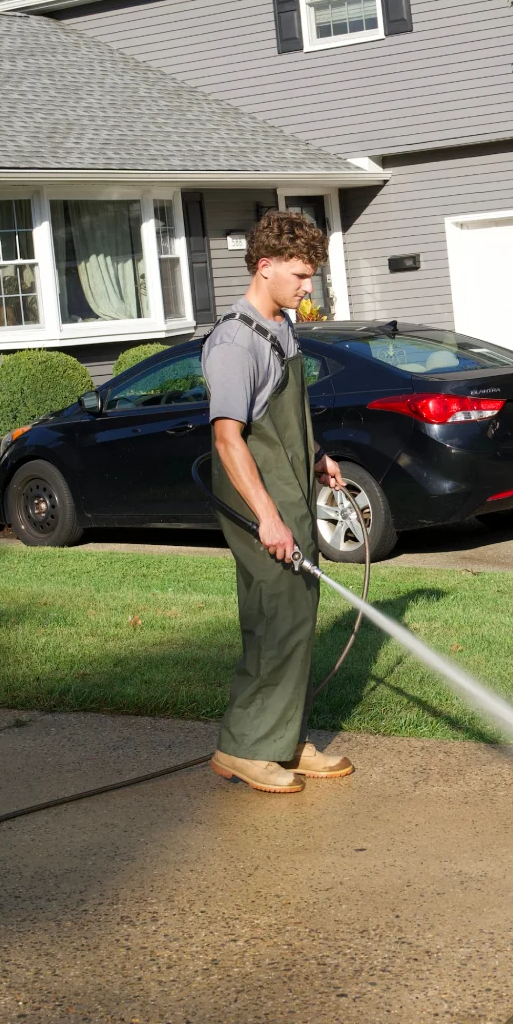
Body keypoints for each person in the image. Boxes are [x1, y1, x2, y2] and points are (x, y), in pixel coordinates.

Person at [200, 211, 356, 793]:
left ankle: (283, 741)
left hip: (289, 487)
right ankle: (245, 747)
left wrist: (317, 459)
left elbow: (279, 419)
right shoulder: (236, 343)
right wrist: (267, 516)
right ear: (264, 268)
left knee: (296, 614)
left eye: (310, 276)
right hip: (256, 499)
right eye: (298, 275)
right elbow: (227, 437)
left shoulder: (279, 328)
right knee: (275, 616)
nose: (307, 287)